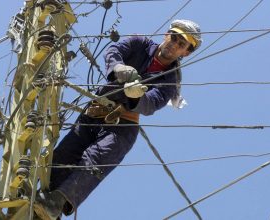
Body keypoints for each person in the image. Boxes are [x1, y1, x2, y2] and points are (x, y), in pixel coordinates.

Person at [34, 19, 202, 219]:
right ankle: (36, 207)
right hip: (94, 113)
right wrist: (118, 67)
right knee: (62, 156)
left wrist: (136, 95)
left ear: (186, 53)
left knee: (95, 160)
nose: (174, 45)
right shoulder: (140, 43)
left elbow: (153, 103)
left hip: (122, 125)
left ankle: (56, 203)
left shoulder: (170, 80)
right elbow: (114, 50)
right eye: (174, 38)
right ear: (167, 34)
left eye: (181, 44)